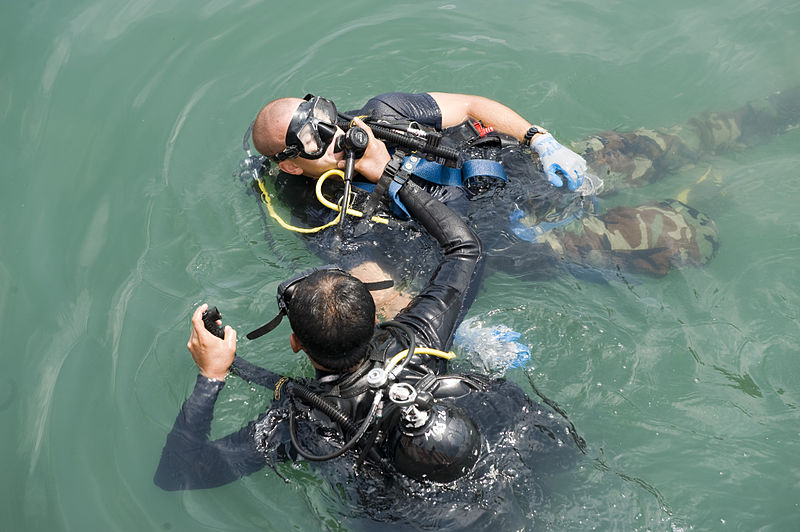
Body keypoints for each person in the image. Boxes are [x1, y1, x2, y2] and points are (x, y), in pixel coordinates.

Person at [155, 174, 577, 528]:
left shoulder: (303, 423)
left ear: (295, 342)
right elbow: (464, 246)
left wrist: (211, 376)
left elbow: (178, 473)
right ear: (375, 319)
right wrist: (391, 174)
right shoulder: (417, 336)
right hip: (511, 455)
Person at [247, 91, 727, 294]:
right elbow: (376, 284)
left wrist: (541, 141)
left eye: (332, 123)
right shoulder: (322, 211)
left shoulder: (382, 113)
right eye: (317, 144)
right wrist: (451, 326)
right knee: (689, 234)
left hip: (512, 170)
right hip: (510, 238)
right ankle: (718, 202)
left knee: (669, 143)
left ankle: (761, 121)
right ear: (291, 163)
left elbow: (473, 105)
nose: (339, 138)